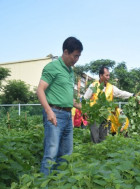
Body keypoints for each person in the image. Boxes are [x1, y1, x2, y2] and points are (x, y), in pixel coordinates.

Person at [36, 37, 83, 175]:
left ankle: (59, 184)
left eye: (79, 56)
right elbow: (40, 90)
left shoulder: (70, 71)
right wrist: (48, 111)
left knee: (66, 153)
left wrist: (82, 107)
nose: (77, 59)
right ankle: (44, 186)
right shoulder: (53, 67)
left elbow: (68, 99)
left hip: (68, 115)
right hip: (55, 113)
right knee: (51, 151)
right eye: (75, 56)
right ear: (66, 52)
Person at [83, 66, 134, 143]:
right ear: (101, 76)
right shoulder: (93, 86)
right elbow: (85, 99)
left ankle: (102, 153)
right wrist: (85, 111)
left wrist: (133, 95)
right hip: (94, 116)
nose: (108, 77)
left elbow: (121, 93)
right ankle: (95, 152)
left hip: (106, 117)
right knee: (95, 138)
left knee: (104, 139)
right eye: (106, 75)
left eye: (109, 75)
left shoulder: (111, 87)